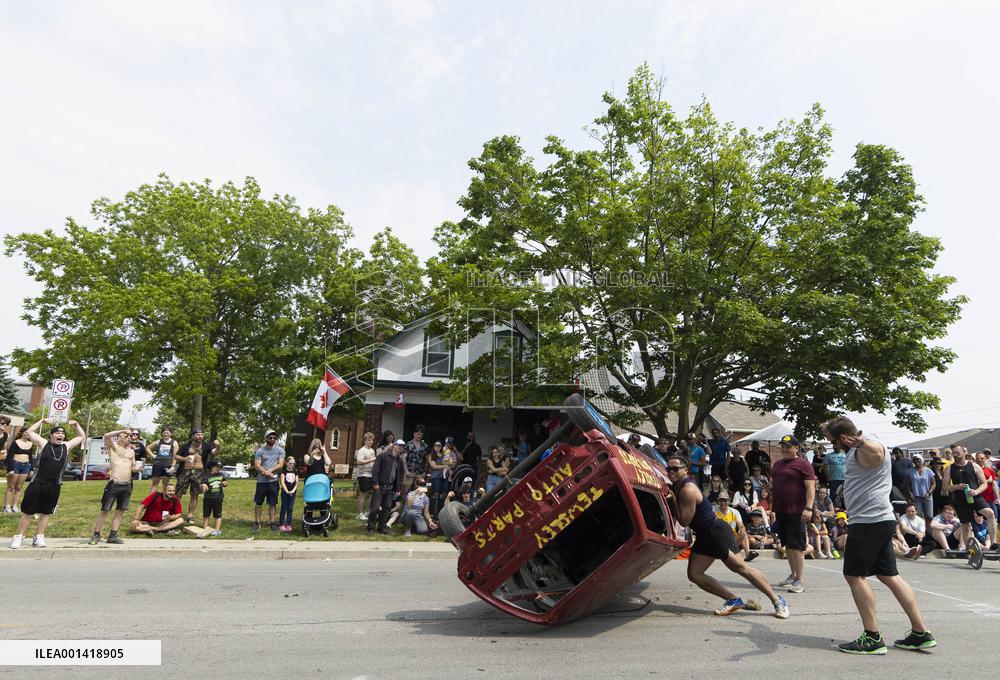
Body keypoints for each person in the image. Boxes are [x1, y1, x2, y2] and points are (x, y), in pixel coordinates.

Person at [823, 415, 936, 654]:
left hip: (868, 522)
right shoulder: (859, 446)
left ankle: (872, 637)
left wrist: (860, 444)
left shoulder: (867, 446)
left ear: (845, 438)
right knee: (889, 575)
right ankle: (920, 633)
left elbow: (877, 455)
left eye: (833, 441)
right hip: (877, 520)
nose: (833, 446)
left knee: (854, 576)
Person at [664, 455, 788, 618]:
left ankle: (778, 601)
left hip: (715, 532)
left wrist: (673, 501)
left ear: (685, 470)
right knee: (695, 574)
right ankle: (733, 600)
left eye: (675, 469)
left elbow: (684, 521)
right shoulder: (677, 485)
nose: (671, 472)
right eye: (669, 468)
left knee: (741, 568)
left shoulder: (687, 490)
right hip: (704, 534)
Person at [9, 419, 86, 549]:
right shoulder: (44, 444)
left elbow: (81, 436)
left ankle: (38, 537)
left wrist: (76, 424)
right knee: (27, 512)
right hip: (37, 484)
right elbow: (29, 432)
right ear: (51, 435)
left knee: (45, 513)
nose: (60, 435)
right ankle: (18, 537)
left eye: (62, 433)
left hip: (54, 485)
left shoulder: (66, 447)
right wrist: (42, 421)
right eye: (57, 433)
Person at [770, 435, 816, 593]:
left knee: (796, 546)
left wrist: (808, 508)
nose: (785, 449)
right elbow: (774, 487)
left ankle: (800, 580)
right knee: (787, 545)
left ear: (797, 448)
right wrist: (772, 508)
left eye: (788, 447)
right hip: (781, 510)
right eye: (783, 446)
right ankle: (793, 575)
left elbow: (811, 488)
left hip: (797, 511)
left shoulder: (804, 464)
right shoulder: (777, 464)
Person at [88, 428, 142, 545]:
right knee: (104, 510)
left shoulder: (131, 452)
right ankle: (96, 535)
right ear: (119, 437)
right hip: (114, 484)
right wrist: (122, 430)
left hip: (127, 485)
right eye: (126, 436)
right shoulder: (113, 447)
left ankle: (113, 535)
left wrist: (138, 468)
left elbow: (132, 467)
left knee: (120, 511)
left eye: (129, 437)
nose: (129, 438)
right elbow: (107, 435)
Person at [941, 445, 996, 550]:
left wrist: (976, 491)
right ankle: (970, 551)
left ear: (964, 452)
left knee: (990, 513)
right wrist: (957, 486)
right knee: (966, 525)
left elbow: (984, 484)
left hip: (975, 496)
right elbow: (945, 487)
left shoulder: (974, 466)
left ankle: (993, 543)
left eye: (958, 453)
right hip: (960, 500)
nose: (955, 455)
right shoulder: (949, 469)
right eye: (954, 453)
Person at [175, 428, 218, 523]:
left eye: (201, 435)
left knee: (194, 494)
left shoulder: (206, 445)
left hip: (199, 472)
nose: (200, 436)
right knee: (178, 493)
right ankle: (175, 513)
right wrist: (184, 459)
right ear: (193, 436)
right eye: (198, 435)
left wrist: (218, 446)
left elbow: (215, 452)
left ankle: (190, 515)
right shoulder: (186, 445)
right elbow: (176, 456)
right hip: (185, 471)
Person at [368, 439, 405, 534]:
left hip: (390, 487)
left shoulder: (399, 460)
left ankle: (382, 527)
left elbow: (399, 475)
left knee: (387, 508)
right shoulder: (383, 456)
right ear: (394, 446)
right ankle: (371, 528)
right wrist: (375, 483)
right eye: (399, 445)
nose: (400, 447)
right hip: (379, 486)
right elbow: (375, 470)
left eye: (402, 446)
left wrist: (398, 488)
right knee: (375, 508)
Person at [252, 430, 285, 532]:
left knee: (272, 503)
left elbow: (280, 464)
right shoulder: (260, 451)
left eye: (274, 438)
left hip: (273, 481)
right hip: (261, 482)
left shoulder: (280, 451)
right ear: (266, 438)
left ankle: (272, 523)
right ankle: (257, 523)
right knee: (258, 503)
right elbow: (257, 465)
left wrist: (270, 471)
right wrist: (266, 472)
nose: (272, 439)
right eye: (270, 438)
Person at [715, 493, 757, 561]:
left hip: (732, 538)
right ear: (718, 501)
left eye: (725, 500)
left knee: (743, 533)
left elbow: (740, 524)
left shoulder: (735, 512)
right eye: (721, 500)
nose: (723, 503)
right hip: (719, 538)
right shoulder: (713, 510)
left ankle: (748, 554)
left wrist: (742, 528)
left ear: (729, 501)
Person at [3, 426, 34, 513]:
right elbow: (9, 456)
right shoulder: (15, 443)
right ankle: (7, 506)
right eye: (26, 432)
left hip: (26, 466)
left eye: (29, 433)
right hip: (15, 465)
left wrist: (31, 469)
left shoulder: (31, 444)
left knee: (19, 487)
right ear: (22, 433)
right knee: (11, 487)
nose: (28, 434)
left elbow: (31, 457)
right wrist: (10, 469)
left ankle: (15, 506)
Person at [145, 427, 179, 494]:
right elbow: (147, 448)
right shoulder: (158, 441)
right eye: (164, 433)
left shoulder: (174, 443)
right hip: (157, 464)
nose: (166, 434)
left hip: (167, 465)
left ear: (170, 433)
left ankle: (164, 500)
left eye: (167, 433)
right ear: (162, 434)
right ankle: (152, 500)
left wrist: (173, 466)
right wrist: (153, 455)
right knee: (155, 483)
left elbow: (175, 456)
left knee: (165, 484)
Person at [198, 461, 227, 536]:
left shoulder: (221, 475)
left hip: (218, 497)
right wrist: (203, 485)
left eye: (220, 467)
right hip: (208, 497)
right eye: (217, 467)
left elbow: (225, 483)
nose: (218, 469)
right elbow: (201, 485)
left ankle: (217, 529)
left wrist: (224, 483)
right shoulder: (206, 476)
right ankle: (205, 528)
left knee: (218, 514)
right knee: (206, 514)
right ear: (212, 467)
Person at [354, 432, 376, 521]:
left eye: (372, 440)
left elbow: (374, 462)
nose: (371, 442)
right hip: (363, 475)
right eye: (369, 440)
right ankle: (359, 514)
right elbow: (359, 461)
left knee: (373, 493)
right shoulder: (361, 450)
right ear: (365, 440)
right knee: (363, 494)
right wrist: (371, 460)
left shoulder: (372, 450)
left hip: (371, 474)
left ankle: (367, 511)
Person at [908, 455, 936, 520]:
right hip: (916, 498)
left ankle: (929, 530)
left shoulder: (928, 471)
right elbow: (907, 484)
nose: (916, 461)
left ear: (922, 460)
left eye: (918, 459)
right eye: (914, 460)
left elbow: (934, 483)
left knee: (929, 516)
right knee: (918, 517)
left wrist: (929, 492)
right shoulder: (910, 471)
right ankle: (921, 530)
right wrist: (910, 494)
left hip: (927, 497)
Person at [402, 425, 428, 493]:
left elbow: (426, 460)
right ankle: (406, 504)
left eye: (421, 434)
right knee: (405, 492)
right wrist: (406, 471)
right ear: (414, 434)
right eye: (417, 434)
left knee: (418, 492)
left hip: (420, 473)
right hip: (409, 472)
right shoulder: (408, 444)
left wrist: (425, 472)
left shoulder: (425, 446)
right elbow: (403, 458)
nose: (419, 436)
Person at [277, 456, 298, 532]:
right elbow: (282, 482)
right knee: (284, 507)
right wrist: (287, 491)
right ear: (286, 463)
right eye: (290, 463)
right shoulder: (284, 472)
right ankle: (281, 524)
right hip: (285, 492)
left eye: (293, 463)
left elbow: (296, 483)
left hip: (293, 492)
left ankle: (288, 524)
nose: (292, 465)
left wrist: (292, 491)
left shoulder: (295, 472)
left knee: (290, 508)